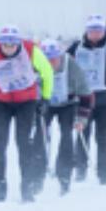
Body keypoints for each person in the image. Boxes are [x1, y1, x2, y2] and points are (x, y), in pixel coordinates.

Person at [0, 25, 53, 203]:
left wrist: (45, 99)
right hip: (1, 102)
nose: (9, 48)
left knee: (24, 143)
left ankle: (27, 187)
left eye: (13, 44)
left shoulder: (31, 51)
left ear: (19, 43)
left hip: (26, 102)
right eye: (5, 44)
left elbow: (47, 73)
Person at [67, 16, 106, 185]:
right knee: (83, 134)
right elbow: (63, 62)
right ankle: (80, 171)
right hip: (84, 98)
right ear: (87, 31)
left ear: (104, 31)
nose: (95, 34)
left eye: (99, 30)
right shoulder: (77, 46)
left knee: (104, 137)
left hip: (105, 97)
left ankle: (104, 175)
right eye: (92, 30)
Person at [37, 38, 90, 195]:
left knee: (67, 136)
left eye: (54, 59)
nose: (51, 63)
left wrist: (81, 119)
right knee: (39, 135)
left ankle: (64, 176)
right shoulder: (35, 66)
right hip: (44, 103)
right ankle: (36, 176)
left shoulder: (72, 66)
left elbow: (86, 94)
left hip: (68, 103)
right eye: (47, 60)